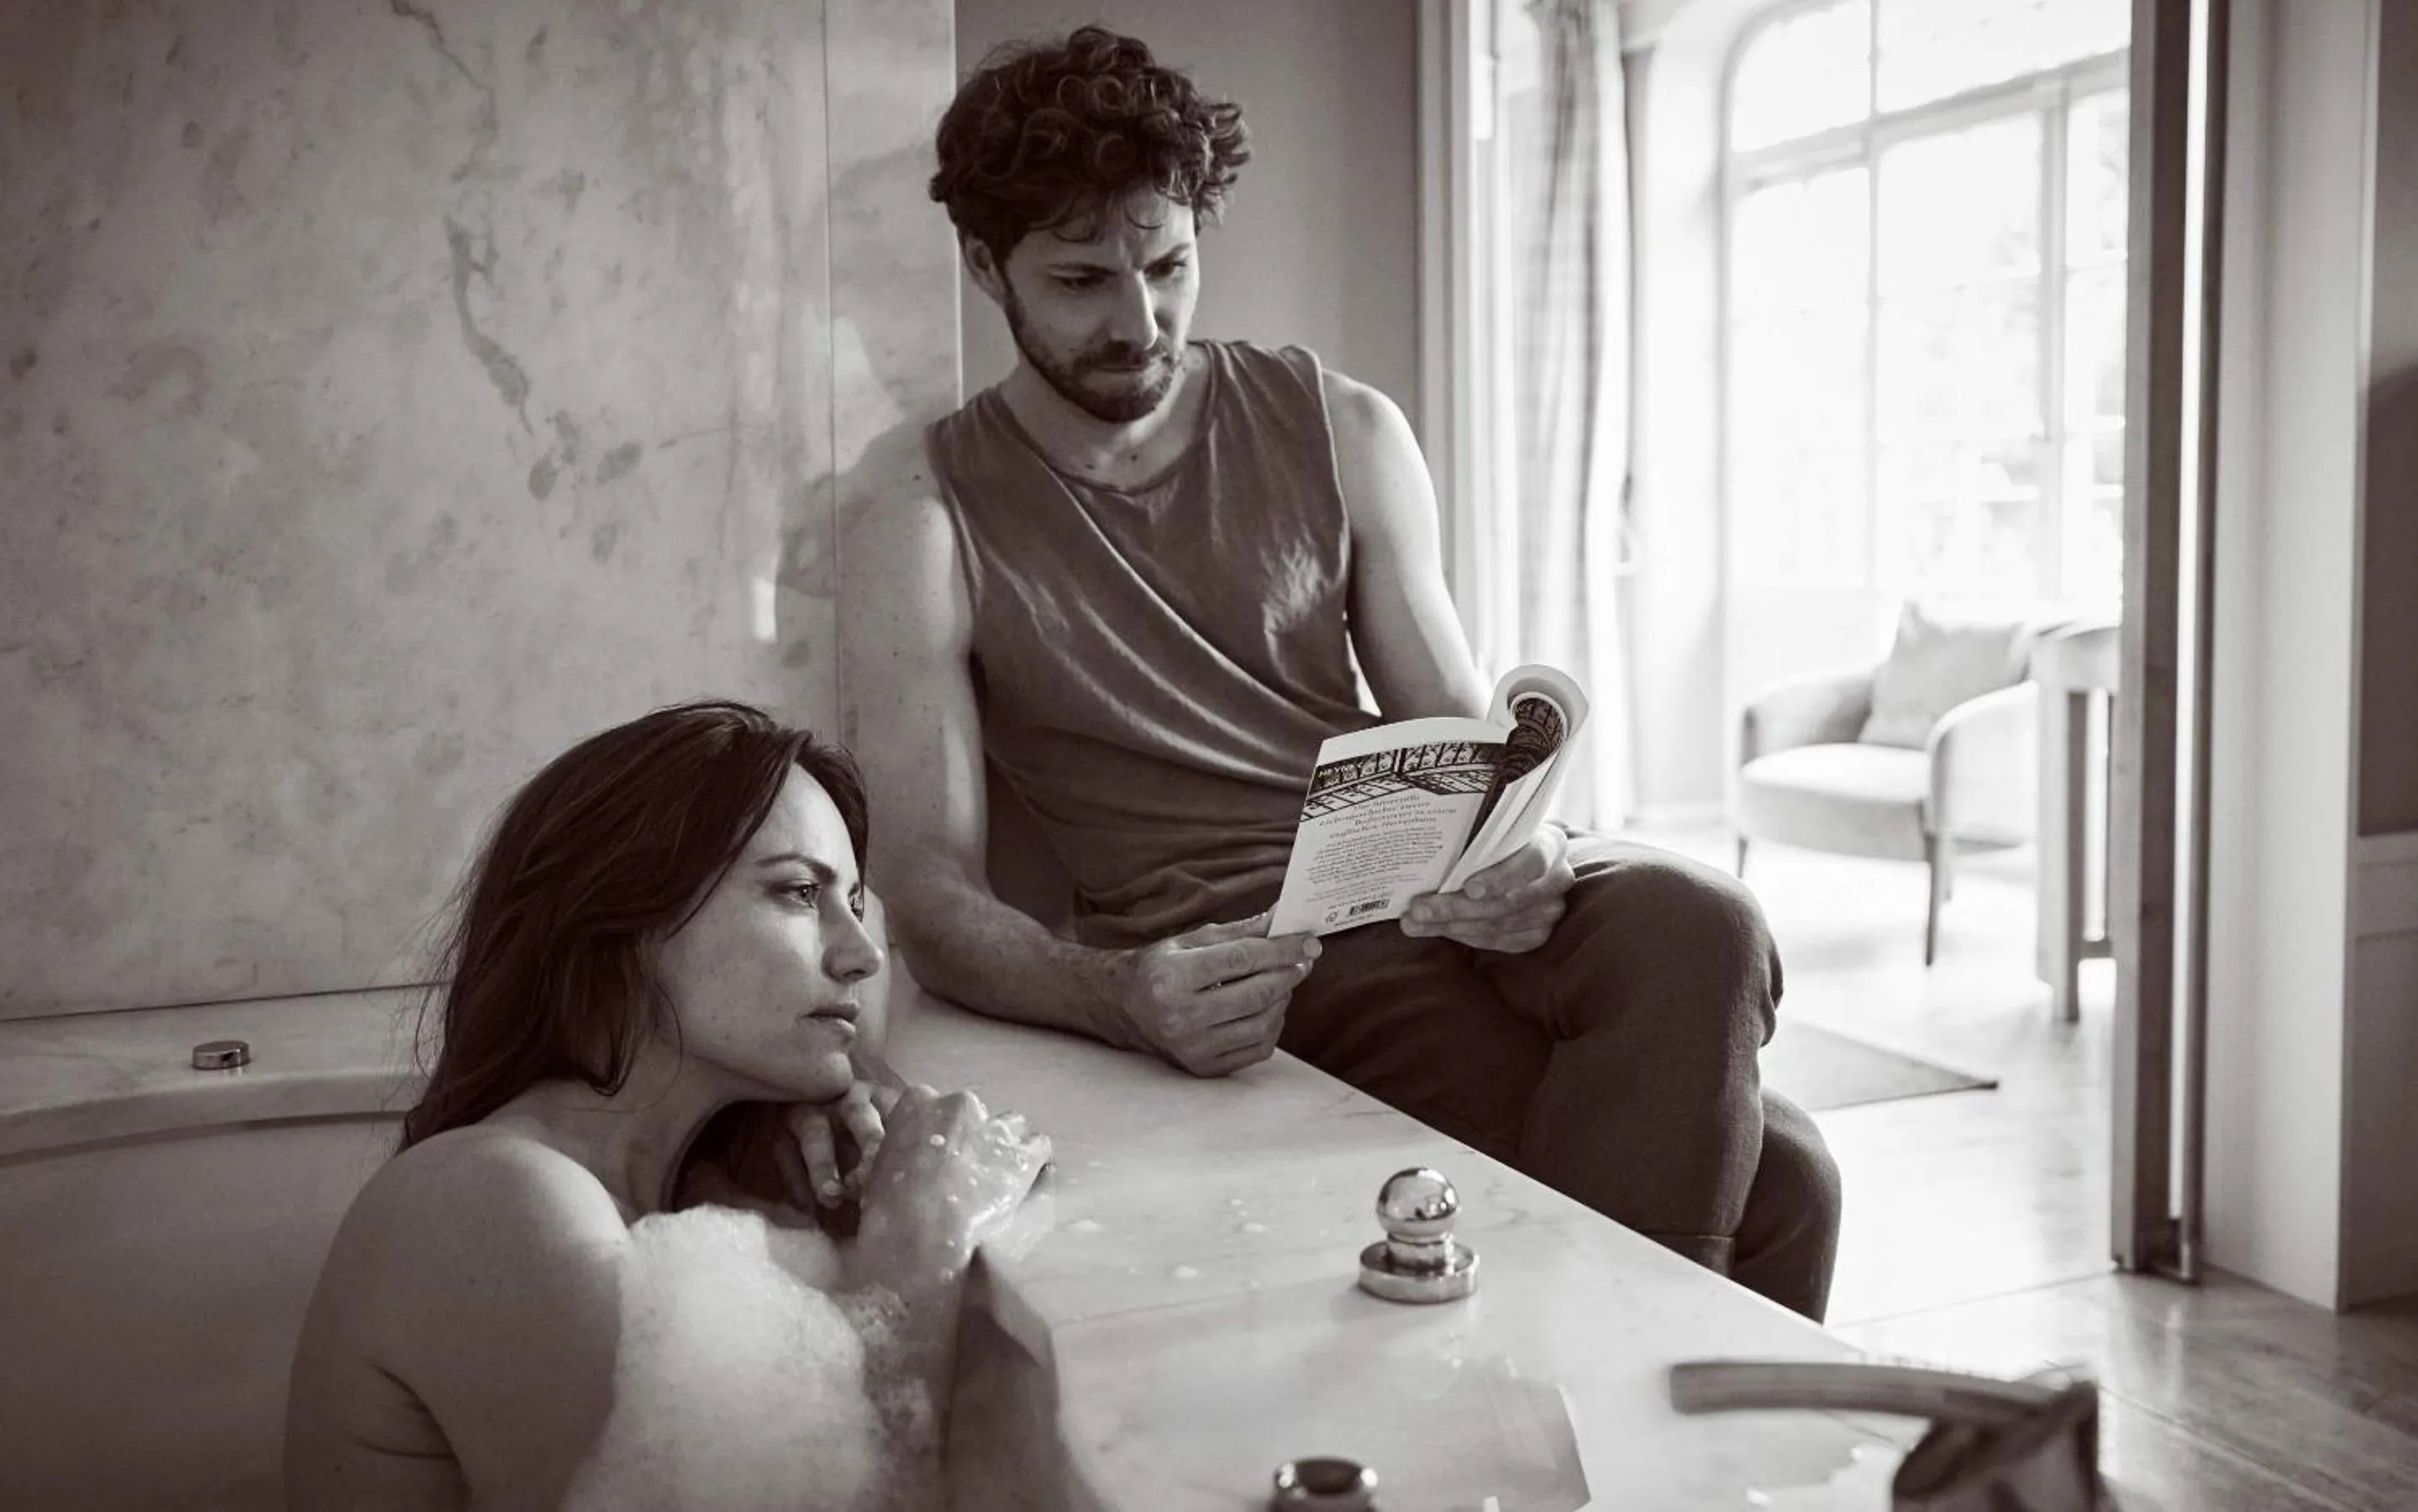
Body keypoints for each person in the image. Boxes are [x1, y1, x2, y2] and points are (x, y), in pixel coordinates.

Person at [841, 26, 1841, 1320]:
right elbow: (922, 893)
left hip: (1429, 893)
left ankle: (1594, 1395)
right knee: (1790, 1182)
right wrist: (1120, 995)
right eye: (1082, 281)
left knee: (1704, 917)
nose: (1136, 322)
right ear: (988, 268)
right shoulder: (920, 515)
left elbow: (1461, 739)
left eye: (1167, 265)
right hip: (1277, 957)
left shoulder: (1343, 425)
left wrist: (1512, 854)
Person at [284, 701, 1050, 1510]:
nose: (860, 954)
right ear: (625, 915)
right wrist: (918, 1239)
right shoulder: (487, 1197)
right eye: (799, 892)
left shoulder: (665, 1199)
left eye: (854, 904)